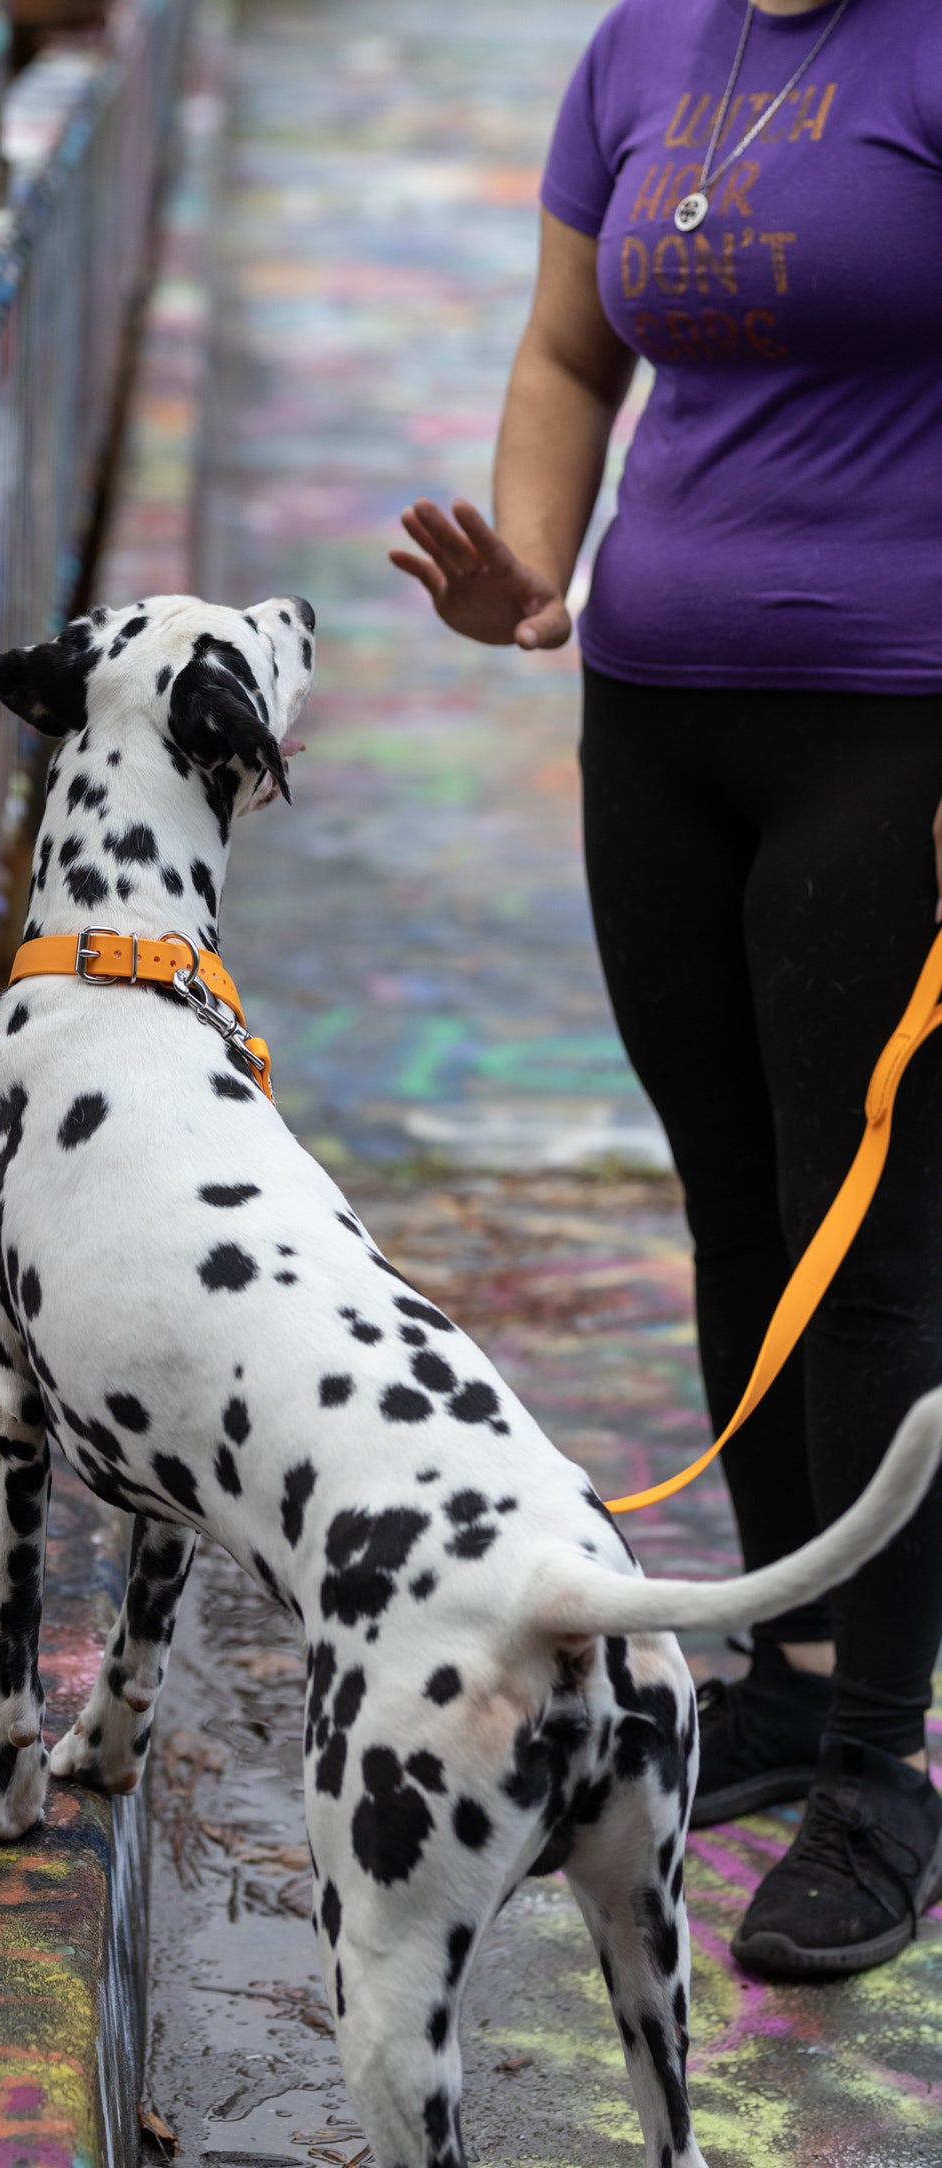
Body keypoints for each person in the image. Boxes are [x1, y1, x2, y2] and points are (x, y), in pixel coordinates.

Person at [390, 0, 942, 1979]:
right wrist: (527, 563)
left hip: (900, 720)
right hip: (661, 712)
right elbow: (569, 350)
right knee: (734, 1193)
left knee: (865, 1235)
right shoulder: (642, 50)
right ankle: (787, 1679)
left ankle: (888, 1761)